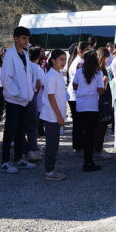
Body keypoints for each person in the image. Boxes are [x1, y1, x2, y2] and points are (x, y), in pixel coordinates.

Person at [0, 26, 37, 174]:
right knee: (10, 131)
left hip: (25, 100)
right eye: (23, 38)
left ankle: (18, 158)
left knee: (22, 131)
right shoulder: (10, 55)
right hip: (14, 100)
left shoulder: (26, 54)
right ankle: (4, 161)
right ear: (16, 38)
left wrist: (29, 93)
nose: (26, 41)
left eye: (28, 38)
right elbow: (6, 79)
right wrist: (19, 94)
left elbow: (27, 77)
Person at [73, 50, 105, 172]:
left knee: (84, 133)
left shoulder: (79, 71)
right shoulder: (98, 73)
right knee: (91, 135)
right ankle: (88, 161)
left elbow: (74, 86)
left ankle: (86, 161)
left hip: (80, 106)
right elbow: (101, 91)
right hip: (92, 106)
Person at [40, 49, 68, 181]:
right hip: (51, 115)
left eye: (65, 59)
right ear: (53, 60)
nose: (64, 62)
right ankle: (49, 171)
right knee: (51, 144)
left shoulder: (57, 74)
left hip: (55, 115)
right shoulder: (51, 76)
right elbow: (51, 97)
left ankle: (52, 166)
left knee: (55, 143)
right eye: (61, 59)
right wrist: (59, 116)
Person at [68, 41, 90, 153]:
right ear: (81, 51)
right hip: (75, 96)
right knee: (78, 123)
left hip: (78, 96)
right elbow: (78, 82)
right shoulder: (78, 63)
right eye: (88, 50)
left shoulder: (81, 61)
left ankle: (80, 145)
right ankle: (78, 146)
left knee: (80, 122)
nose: (90, 52)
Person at [24, 46, 45, 162]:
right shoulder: (38, 68)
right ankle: (32, 148)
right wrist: (34, 95)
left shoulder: (26, 65)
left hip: (25, 98)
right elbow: (39, 84)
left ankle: (27, 146)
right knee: (33, 124)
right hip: (34, 98)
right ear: (38, 56)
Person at [94, 47, 113, 160]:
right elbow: (100, 89)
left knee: (100, 126)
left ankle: (97, 149)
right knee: (101, 126)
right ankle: (98, 150)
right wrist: (105, 81)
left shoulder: (97, 69)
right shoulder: (100, 70)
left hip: (102, 100)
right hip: (102, 101)